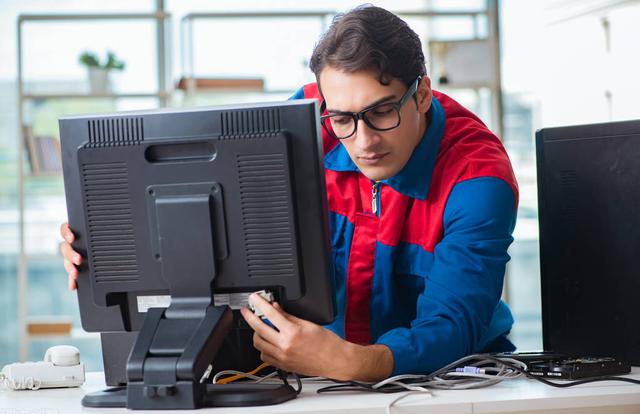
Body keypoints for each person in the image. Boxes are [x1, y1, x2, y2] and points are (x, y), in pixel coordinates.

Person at [60, 5, 518, 383]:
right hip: (311, 378)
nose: (362, 141)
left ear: (421, 95)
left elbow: (451, 327)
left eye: (381, 113)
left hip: (448, 385)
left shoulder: (478, 179)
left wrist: (351, 362)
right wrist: (102, 244)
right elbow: (215, 222)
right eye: (341, 118)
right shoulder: (299, 127)